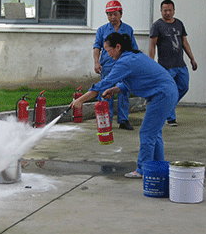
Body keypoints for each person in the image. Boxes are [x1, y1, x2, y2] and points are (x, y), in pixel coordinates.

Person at [73, 32, 177, 178]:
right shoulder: (132, 57)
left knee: (147, 133)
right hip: (167, 92)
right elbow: (137, 78)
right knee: (154, 133)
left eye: (109, 51)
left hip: (162, 95)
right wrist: (116, 89)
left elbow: (103, 84)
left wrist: (80, 100)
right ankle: (157, 166)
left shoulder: (125, 61)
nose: (108, 55)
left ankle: (142, 169)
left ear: (118, 47)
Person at [149, 0, 198, 126]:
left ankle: (167, 107)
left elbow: (184, 42)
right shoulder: (157, 25)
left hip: (180, 64)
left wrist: (192, 58)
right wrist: (151, 63)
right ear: (161, 11)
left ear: (174, 10)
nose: (167, 13)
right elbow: (152, 45)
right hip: (166, 66)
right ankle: (171, 117)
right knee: (169, 90)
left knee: (184, 87)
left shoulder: (179, 24)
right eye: (165, 10)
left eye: (170, 10)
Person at [93, 0, 139, 130]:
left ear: (121, 14)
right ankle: (106, 120)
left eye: (115, 14)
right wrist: (96, 62)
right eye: (109, 14)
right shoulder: (102, 30)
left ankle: (123, 120)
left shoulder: (128, 29)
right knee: (106, 92)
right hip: (107, 66)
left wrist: (134, 65)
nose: (112, 17)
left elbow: (133, 48)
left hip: (124, 67)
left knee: (124, 91)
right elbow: (97, 47)